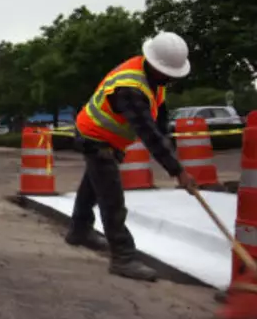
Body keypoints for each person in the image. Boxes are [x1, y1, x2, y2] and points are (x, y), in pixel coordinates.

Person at [67, 31, 198, 281]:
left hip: (106, 136)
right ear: (156, 65)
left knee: (92, 185)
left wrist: (175, 162)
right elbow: (148, 133)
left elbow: (159, 125)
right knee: (111, 197)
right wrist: (177, 171)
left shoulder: (154, 81)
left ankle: (79, 230)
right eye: (168, 73)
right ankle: (123, 257)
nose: (171, 78)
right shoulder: (130, 88)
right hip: (94, 136)